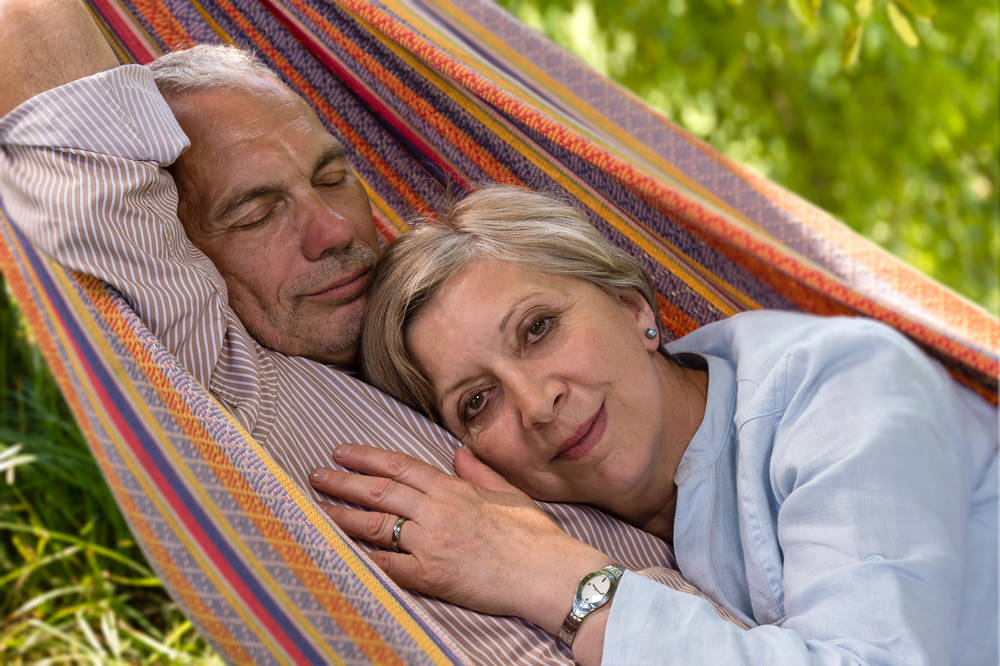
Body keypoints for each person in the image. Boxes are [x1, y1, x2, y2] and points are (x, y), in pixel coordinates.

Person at [0, 0, 742, 662]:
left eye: (331, 177)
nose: (332, 230)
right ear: (178, 248)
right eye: (255, 214)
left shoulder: (473, 340)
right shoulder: (221, 377)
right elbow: (33, 31)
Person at [309, 187, 999, 665]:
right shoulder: (626, 524)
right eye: (476, 402)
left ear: (633, 307)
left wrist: (553, 578)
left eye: (538, 328)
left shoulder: (841, 384)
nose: (536, 402)